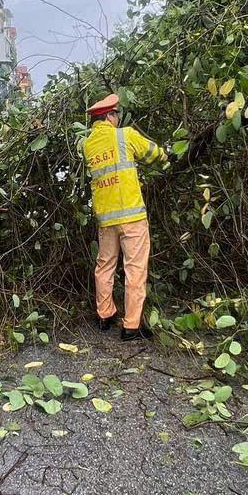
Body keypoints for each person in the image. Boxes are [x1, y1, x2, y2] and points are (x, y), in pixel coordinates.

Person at [82, 93, 168, 341]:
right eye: (116, 114)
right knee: (135, 269)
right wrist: (167, 154)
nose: (118, 118)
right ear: (110, 116)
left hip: (106, 220)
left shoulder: (89, 145)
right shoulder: (125, 135)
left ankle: (105, 315)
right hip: (131, 217)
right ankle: (131, 326)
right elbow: (153, 154)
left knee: (104, 265)